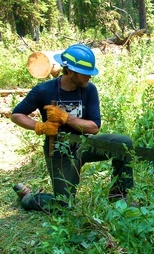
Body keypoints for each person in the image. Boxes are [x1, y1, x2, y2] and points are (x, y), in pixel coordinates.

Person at [11, 44, 134, 212]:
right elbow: (16, 115)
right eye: (85, 74)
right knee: (64, 206)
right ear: (69, 71)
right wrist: (40, 126)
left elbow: (93, 128)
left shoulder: (89, 90)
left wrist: (66, 117)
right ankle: (29, 198)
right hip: (59, 151)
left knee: (124, 144)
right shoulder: (44, 90)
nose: (89, 78)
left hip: (84, 144)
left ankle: (119, 196)